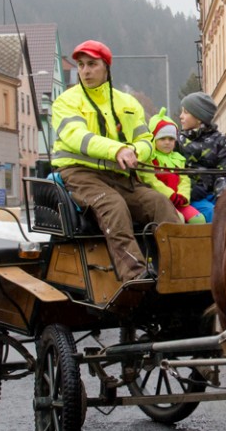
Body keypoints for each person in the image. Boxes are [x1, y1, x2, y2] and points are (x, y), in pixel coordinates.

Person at [49, 39, 181, 283]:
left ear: (106, 67)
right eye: (81, 65)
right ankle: (135, 276)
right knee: (114, 206)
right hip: (80, 174)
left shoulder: (128, 103)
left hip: (121, 175)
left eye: (92, 64)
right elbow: (78, 138)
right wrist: (118, 149)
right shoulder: (66, 101)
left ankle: (179, 270)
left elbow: (145, 140)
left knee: (160, 203)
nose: (85, 71)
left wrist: (134, 151)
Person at [177, 91, 226, 223]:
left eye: (186, 112)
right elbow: (172, 170)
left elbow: (225, 174)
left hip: (213, 195)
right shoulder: (178, 141)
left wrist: (223, 199)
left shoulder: (220, 141)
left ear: (199, 117)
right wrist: (190, 189)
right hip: (188, 196)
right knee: (212, 215)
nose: (181, 116)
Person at [140, 112, 205, 225]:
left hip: (179, 202)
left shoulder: (178, 159)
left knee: (199, 219)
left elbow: (184, 180)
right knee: (178, 219)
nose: (167, 142)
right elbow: (151, 181)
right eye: (162, 138)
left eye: (171, 139)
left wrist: (183, 196)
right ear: (153, 139)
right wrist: (170, 195)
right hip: (162, 203)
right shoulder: (150, 159)